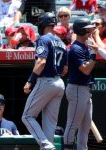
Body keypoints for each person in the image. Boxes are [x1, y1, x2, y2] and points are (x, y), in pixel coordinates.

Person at [22, 12, 68, 150]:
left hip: (46, 81)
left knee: (27, 116)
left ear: (43, 25)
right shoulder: (62, 42)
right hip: (59, 83)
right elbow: (65, 69)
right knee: (49, 123)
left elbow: (41, 62)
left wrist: (30, 81)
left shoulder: (43, 39)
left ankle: (46, 145)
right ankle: (48, 145)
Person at [64, 18, 96, 150]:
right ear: (82, 30)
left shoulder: (85, 46)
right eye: (88, 29)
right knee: (72, 125)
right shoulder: (76, 48)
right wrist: (94, 55)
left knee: (85, 127)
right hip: (77, 88)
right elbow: (86, 69)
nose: (91, 31)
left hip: (85, 90)